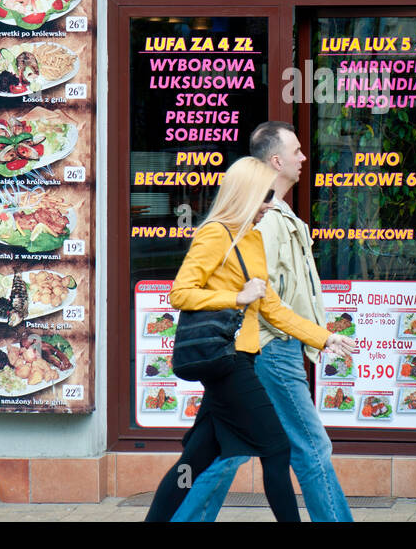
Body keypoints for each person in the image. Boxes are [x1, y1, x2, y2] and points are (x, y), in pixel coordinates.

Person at [144, 156, 356, 522]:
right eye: (264, 197)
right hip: (226, 361)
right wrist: (235, 298)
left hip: (241, 357)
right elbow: (181, 293)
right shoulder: (215, 234)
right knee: (275, 448)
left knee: (195, 459)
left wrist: (323, 338)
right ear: (245, 195)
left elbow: (271, 306)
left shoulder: (253, 238)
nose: (269, 205)